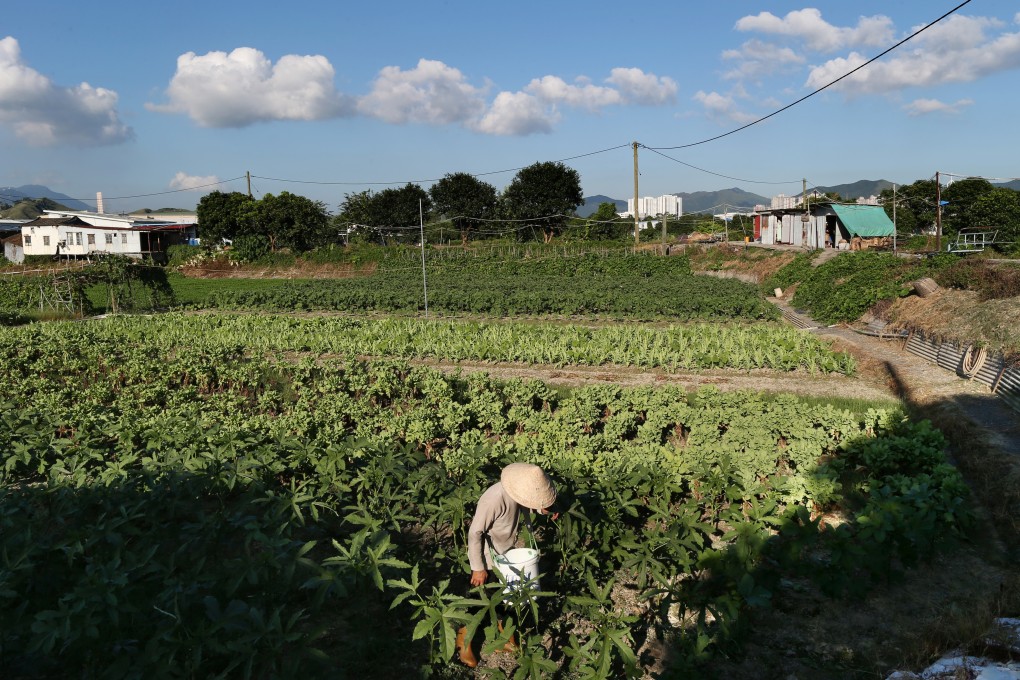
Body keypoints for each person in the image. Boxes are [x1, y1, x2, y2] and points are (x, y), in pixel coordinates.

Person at [456, 463, 558, 667]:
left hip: (505, 552)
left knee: (508, 599)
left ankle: (505, 638)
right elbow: (474, 533)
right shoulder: (494, 499)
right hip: (486, 555)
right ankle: (463, 643)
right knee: (480, 603)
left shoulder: (518, 493)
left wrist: (544, 508)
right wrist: (478, 567)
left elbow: (527, 502)